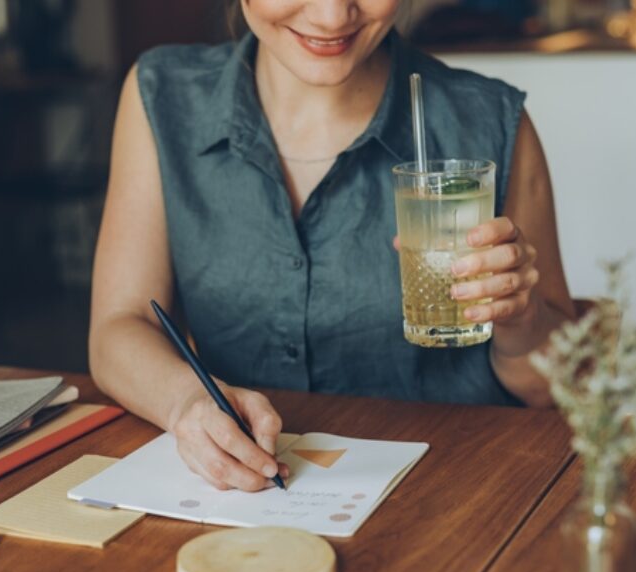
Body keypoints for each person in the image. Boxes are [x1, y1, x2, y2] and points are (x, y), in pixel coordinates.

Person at [89, 0, 575, 493]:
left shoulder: (490, 119)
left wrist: (521, 316)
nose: (331, 17)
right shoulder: (162, 95)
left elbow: (553, 387)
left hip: (457, 502)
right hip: (246, 506)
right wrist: (185, 403)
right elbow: (118, 327)